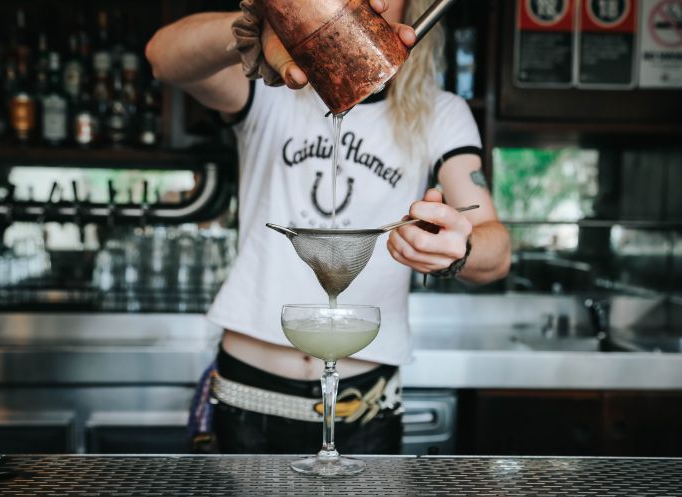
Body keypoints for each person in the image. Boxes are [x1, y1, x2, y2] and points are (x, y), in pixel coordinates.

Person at [146, 0, 511, 454]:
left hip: (366, 411)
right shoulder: (269, 87)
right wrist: (258, 28)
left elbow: (496, 251)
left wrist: (461, 247)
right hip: (246, 402)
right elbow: (162, 57)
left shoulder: (442, 113)